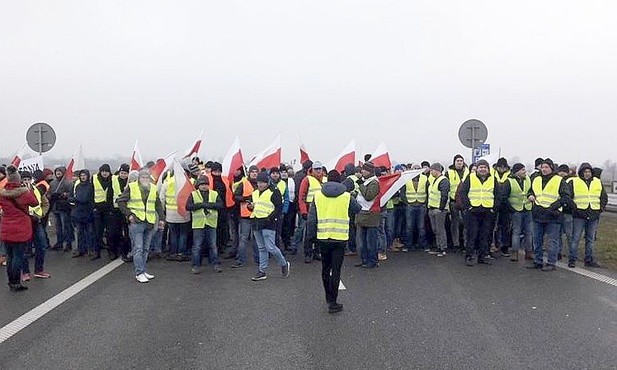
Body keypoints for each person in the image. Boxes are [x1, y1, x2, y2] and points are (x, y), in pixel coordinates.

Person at [306, 170, 360, 314]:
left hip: (323, 237)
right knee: (336, 270)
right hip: (340, 238)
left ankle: (328, 296)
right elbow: (358, 209)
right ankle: (334, 303)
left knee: (325, 268)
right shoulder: (346, 196)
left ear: (327, 180)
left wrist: (311, 239)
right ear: (340, 181)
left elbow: (311, 220)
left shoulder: (317, 196)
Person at [117, 169, 165, 283]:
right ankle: (139, 272)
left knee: (145, 248)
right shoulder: (132, 187)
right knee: (138, 248)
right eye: (143, 177)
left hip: (149, 222)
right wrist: (129, 215)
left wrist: (162, 219)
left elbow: (157, 204)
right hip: (137, 222)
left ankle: (143, 270)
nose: (145, 179)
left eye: (147, 177)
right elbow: (121, 201)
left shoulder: (153, 188)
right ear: (139, 178)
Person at [527, 159, 573, 271]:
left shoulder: (559, 180)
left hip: (553, 215)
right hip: (538, 213)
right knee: (537, 240)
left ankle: (551, 263)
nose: (544, 169)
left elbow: (566, 197)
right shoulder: (536, 179)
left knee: (552, 241)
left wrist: (553, 206)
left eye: (546, 167)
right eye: (542, 167)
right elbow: (530, 191)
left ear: (551, 168)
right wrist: (530, 195)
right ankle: (538, 261)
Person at [0, 166, 39, 292]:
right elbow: (35, 203)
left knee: (10, 256)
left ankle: (11, 281)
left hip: (6, 227)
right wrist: (28, 189)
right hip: (21, 228)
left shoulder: (2, 193)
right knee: (18, 256)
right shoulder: (24, 193)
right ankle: (16, 282)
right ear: (18, 179)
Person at [249, 171, 290, 281]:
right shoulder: (255, 192)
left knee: (270, 247)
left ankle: (284, 264)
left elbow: (278, 208)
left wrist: (270, 218)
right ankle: (262, 271)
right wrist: (250, 206)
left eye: (263, 182)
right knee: (262, 248)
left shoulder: (274, 191)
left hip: (268, 223)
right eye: (259, 182)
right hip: (256, 221)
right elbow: (256, 206)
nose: (260, 185)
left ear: (267, 182)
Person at [459, 159, 500, 266]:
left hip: (487, 211)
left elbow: (498, 195)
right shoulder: (470, 177)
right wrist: (468, 206)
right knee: (471, 235)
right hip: (473, 211)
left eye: (485, 167)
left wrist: (494, 208)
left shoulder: (493, 179)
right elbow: (463, 192)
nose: (482, 169)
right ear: (476, 168)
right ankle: (469, 256)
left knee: (485, 235)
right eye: (480, 167)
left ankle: (482, 257)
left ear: (488, 169)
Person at [568, 163, 608, 268]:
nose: (587, 174)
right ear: (581, 172)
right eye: (585, 172)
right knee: (576, 238)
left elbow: (603, 197)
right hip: (579, 214)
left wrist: (601, 208)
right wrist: (575, 209)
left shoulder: (597, 182)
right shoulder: (575, 182)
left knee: (590, 239)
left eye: (589, 172)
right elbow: (569, 198)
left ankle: (589, 259)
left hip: (593, 214)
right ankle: (572, 259)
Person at [186, 176, 224, 273]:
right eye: (202, 184)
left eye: (206, 184)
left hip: (211, 223)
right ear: (198, 185)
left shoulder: (214, 194)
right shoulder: (193, 194)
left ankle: (216, 264)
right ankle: (195, 265)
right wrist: (201, 205)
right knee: (197, 246)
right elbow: (188, 206)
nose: (204, 186)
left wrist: (207, 205)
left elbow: (220, 205)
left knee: (213, 245)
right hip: (198, 224)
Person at [20, 171, 51, 280]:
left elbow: (45, 203)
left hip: (36, 222)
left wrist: (42, 214)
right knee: (24, 249)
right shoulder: (17, 192)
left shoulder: (37, 190)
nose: (26, 182)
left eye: (28, 179)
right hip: (24, 223)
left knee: (41, 246)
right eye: (24, 180)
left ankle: (39, 270)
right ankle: (25, 272)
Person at [501, 163, 533, 261]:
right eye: (523, 170)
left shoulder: (528, 179)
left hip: (527, 208)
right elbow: (504, 197)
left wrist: (530, 195)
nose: (525, 172)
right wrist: (511, 209)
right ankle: (514, 252)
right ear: (517, 171)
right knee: (516, 232)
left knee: (529, 232)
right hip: (516, 210)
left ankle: (529, 252)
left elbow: (530, 191)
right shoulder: (509, 181)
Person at [296, 161, 325, 263]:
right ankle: (308, 253)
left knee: (320, 233)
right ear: (312, 170)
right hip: (310, 210)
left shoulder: (325, 180)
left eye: (319, 169)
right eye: (316, 169)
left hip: (322, 210)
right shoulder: (307, 180)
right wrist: (303, 211)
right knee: (309, 233)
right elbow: (301, 197)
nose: (318, 171)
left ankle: (317, 252)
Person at [354, 162, 381, 269]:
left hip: (370, 215)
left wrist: (361, 185)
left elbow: (369, 196)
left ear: (369, 171)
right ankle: (364, 260)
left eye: (364, 170)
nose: (362, 172)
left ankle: (372, 261)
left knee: (371, 241)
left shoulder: (374, 183)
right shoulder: (367, 181)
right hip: (363, 213)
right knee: (362, 241)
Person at [230, 165, 257, 268]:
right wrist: (245, 198)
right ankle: (240, 259)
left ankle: (258, 259)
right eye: (252, 172)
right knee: (244, 238)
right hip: (245, 215)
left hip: (257, 215)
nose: (254, 173)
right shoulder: (243, 183)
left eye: (256, 172)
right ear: (249, 173)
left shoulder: (261, 184)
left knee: (256, 239)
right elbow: (235, 197)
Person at [162, 171, 191, 262]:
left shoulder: (168, 182)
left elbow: (162, 197)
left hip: (170, 212)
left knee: (173, 234)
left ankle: (173, 253)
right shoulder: (188, 182)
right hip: (184, 212)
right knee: (183, 234)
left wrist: (163, 210)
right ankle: (181, 253)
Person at [400, 164, 428, 251]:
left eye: (418, 168)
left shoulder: (425, 178)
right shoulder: (406, 178)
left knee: (421, 227)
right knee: (409, 226)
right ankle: (408, 245)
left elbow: (429, 191)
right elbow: (402, 192)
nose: (416, 170)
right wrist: (406, 202)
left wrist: (425, 203)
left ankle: (421, 245)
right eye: (414, 168)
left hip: (421, 205)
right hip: (410, 205)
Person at [445, 155, 469, 252]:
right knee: (454, 223)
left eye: (461, 161)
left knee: (466, 224)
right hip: (453, 201)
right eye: (457, 161)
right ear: (454, 162)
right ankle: (456, 244)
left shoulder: (467, 172)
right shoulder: (449, 173)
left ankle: (465, 243)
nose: (459, 162)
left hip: (465, 201)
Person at [48, 166, 75, 252]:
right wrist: (51, 196)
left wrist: (63, 195)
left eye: (60, 172)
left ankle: (68, 243)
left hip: (64, 207)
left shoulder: (68, 183)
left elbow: (71, 194)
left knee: (65, 226)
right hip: (55, 207)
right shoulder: (52, 183)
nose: (58, 173)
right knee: (58, 226)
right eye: (57, 172)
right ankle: (59, 242)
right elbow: (49, 193)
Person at [70, 169, 94, 258]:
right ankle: (81, 250)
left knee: (89, 233)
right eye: (81, 175)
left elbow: (84, 198)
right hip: (78, 212)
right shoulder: (78, 186)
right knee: (79, 233)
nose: (83, 177)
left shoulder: (90, 186)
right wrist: (73, 199)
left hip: (88, 212)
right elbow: (72, 196)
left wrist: (75, 199)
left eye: (84, 175)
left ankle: (90, 249)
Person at [426, 163, 450, 257]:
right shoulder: (434, 180)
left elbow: (444, 195)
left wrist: (441, 208)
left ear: (437, 170)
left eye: (432, 170)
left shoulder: (443, 181)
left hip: (439, 210)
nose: (431, 172)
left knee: (440, 229)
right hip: (432, 208)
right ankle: (438, 246)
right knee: (435, 229)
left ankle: (442, 248)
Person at [92, 164, 114, 260]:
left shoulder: (113, 180)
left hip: (109, 210)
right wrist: (93, 207)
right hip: (97, 209)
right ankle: (96, 252)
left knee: (110, 233)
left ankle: (111, 252)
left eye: (107, 171)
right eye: (103, 171)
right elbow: (91, 193)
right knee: (97, 232)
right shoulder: (94, 179)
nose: (105, 173)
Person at [269, 166, 289, 253]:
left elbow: (286, 198)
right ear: (270, 174)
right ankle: (269, 249)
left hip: (280, 212)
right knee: (270, 232)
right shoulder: (267, 184)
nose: (275, 175)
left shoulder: (283, 184)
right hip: (269, 212)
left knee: (278, 232)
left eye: (277, 173)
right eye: (273, 173)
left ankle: (277, 250)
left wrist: (284, 210)